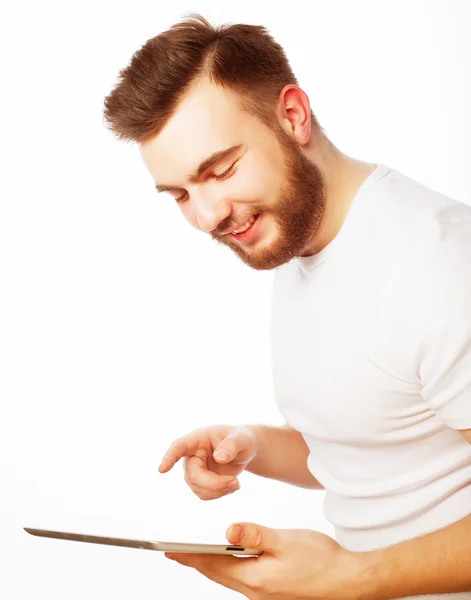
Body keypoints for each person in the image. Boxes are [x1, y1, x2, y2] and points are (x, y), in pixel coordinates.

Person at [103, 13, 471, 600]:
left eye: (220, 170)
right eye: (180, 195)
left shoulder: (437, 264)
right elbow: (375, 445)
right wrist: (251, 445)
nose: (206, 216)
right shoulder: (301, 240)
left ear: (293, 116)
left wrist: (349, 578)